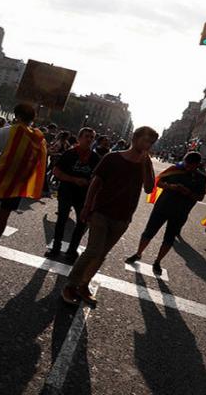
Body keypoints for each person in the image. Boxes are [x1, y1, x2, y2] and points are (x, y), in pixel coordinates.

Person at [61, 126, 157, 305]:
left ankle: (84, 285)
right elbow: (96, 182)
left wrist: (146, 163)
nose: (147, 145)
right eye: (145, 140)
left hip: (123, 217)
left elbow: (150, 188)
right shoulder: (113, 157)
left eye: (151, 143)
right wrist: (87, 206)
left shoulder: (145, 163)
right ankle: (70, 285)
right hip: (101, 211)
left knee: (101, 254)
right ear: (134, 138)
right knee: (93, 250)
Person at [0, 103, 47, 262]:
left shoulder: (6, 131)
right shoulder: (38, 138)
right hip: (17, 181)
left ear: (17, 115)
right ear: (32, 119)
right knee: (4, 216)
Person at [125, 152, 206, 276]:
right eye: (186, 163)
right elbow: (158, 182)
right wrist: (170, 186)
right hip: (162, 207)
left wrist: (188, 192)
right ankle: (138, 253)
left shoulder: (201, 177)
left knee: (169, 238)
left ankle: (157, 262)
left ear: (197, 165)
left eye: (191, 166)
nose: (187, 167)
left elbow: (200, 197)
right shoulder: (174, 169)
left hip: (180, 212)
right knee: (149, 231)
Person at [46, 127, 100, 261]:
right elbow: (56, 172)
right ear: (79, 138)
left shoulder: (95, 158)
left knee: (82, 223)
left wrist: (91, 184)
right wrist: (74, 179)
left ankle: (72, 250)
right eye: (86, 136)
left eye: (91, 137)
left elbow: (99, 177)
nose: (89, 139)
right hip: (66, 192)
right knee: (62, 220)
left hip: (83, 195)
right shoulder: (70, 154)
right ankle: (55, 248)